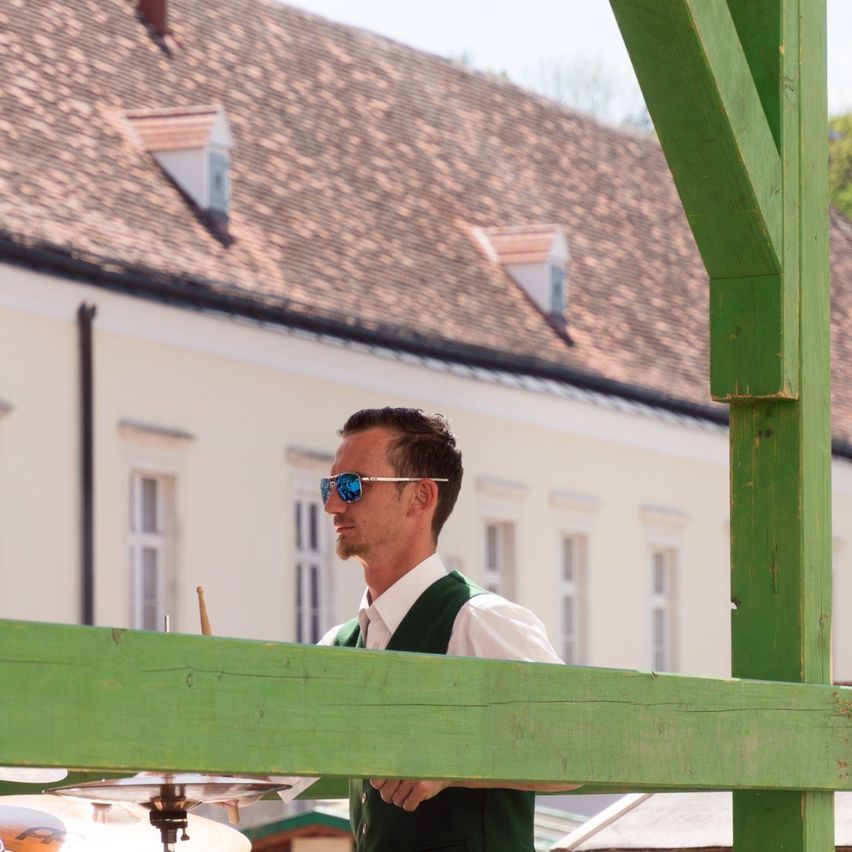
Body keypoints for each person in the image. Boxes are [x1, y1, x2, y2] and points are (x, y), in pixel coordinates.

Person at [283, 407, 574, 851]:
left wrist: (453, 764)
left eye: (352, 486)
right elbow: (274, 763)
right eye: (330, 486)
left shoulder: (480, 621)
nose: (331, 505)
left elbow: (576, 747)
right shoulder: (339, 647)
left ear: (420, 498)